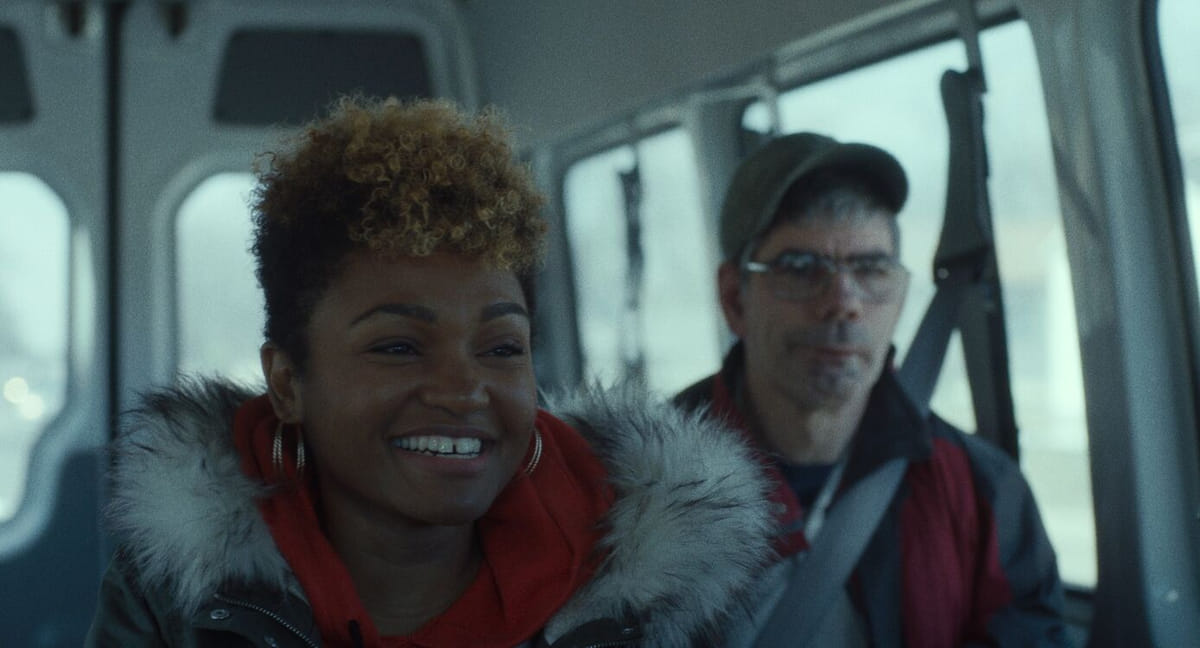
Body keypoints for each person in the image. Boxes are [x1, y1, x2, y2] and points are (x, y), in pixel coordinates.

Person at [87, 96, 775, 648]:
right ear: (289, 384)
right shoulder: (176, 603)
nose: (463, 390)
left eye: (501, 349)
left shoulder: (651, 604)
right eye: (398, 347)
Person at [675, 132, 1068, 647]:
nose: (844, 302)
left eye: (871, 268)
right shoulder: (639, 483)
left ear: (900, 297)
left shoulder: (980, 490)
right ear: (735, 299)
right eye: (800, 268)